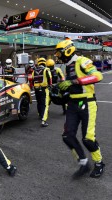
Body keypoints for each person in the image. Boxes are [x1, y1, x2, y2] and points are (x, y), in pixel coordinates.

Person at [55, 39, 105, 178]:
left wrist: (74, 81)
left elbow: (98, 76)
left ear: (68, 50)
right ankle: (83, 163)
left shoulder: (83, 61)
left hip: (87, 103)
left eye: (59, 53)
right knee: (67, 136)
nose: (58, 56)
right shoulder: (66, 66)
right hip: (72, 104)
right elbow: (68, 85)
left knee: (88, 139)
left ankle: (99, 163)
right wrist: (60, 90)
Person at [32, 57, 52, 127]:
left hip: (36, 89)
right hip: (44, 89)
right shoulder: (46, 69)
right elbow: (50, 78)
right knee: (45, 104)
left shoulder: (34, 71)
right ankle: (44, 120)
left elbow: (32, 80)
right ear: (44, 62)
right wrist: (50, 86)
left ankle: (40, 115)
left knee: (39, 102)